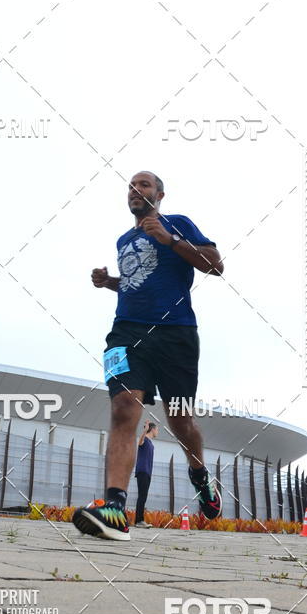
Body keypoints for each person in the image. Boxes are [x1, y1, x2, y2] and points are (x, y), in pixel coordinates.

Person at [72, 170, 224, 541]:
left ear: (160, 193)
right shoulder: (124, 239)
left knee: (181, 420)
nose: (135, 190)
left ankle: (200, 475)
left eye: (143, 185)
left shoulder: (178, 224)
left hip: (176, 334)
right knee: (124, 406)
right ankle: (115, 510)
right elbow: (137, 283)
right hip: (126, 331)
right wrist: (109, 282)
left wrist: (171, 240)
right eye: (131, 186)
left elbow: (215, 265)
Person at [134, 418, 158, 528]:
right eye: (156, 429)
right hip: (142, 471)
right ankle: (139, 521)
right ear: (152, 429)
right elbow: (140, 441)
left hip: (147, 472)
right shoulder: (145, 441)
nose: (157, 432)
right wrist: (145, 430)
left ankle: (139, 521)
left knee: (143, 496)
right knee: (142, 496)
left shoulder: (151, 444)